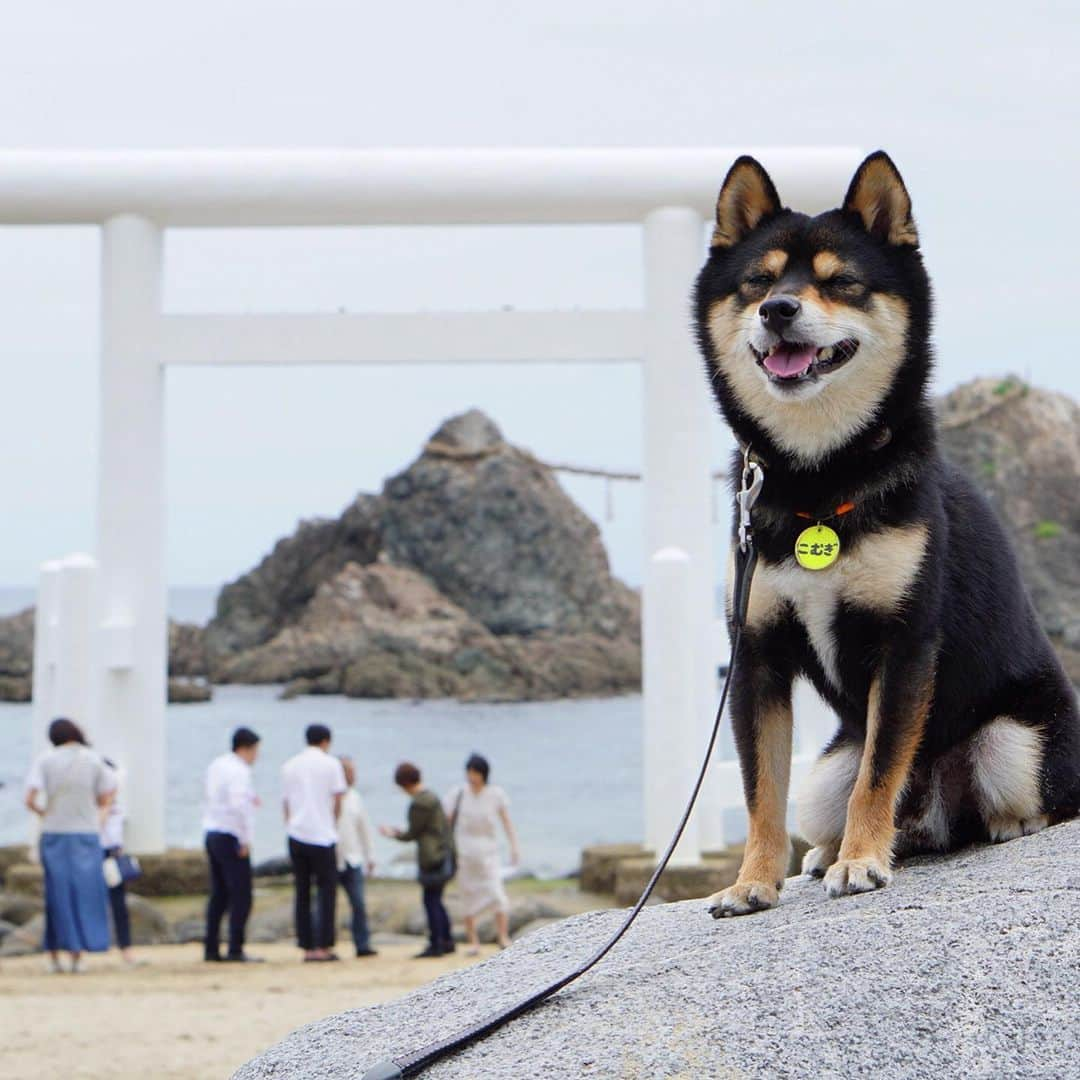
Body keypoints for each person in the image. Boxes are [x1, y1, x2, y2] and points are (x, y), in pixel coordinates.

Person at [23, 718, 116, 974]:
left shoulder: (46, 760)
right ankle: (79, 953)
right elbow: (109, 791)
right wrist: (100, 813)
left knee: (57, 896)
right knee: (85, 894)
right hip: (86, 833)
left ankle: (54, 955)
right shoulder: (93, 759)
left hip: (54, 832)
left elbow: (29, 798)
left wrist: (45, 813)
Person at [282, 724, 347, 963]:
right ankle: (323, 945)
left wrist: (290, 826)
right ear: (326, 741)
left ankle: (306, 945)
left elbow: (286, 803)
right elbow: (338, 798)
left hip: (297, 833)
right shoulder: (331, 764)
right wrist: (333, 822)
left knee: (302, 891)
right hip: (322, 834)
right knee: (326, 891)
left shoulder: (290, 765)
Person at [445, 753, 520, 954]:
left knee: (497, 893)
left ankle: (503, 936)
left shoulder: (496, 794)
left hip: (489, 852)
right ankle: (473, 941)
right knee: (467, 896)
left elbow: (507, 822)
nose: (472, 776)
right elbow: (447, 822)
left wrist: (514, 846)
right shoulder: (458, 794)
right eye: (469, 772)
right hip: (464, 853)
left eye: (475, 772)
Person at [380, 762, 455, 959]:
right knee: (437, 899)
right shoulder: (432, 797)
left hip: (431, 856)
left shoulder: (419, 803)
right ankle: (447, 940)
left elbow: (413, 832)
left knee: (430, 900)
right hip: (443, 851)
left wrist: (392, 834)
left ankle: (437, 943)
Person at [202, 727, 262, 963]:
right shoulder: (239, 770)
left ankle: (211, 947)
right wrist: (245, 839)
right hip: (231, 835)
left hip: (212, 831)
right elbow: (239, 807)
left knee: (219, 894)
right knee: (241, 895)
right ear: (246, 748)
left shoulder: (216, 765)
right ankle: (235, 947)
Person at [100, 758, 140, 966]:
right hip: (94, 852)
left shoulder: (117, 803)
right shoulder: (96, 803)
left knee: (118, 903)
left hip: (113, 853)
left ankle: (125, 948)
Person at [336, 756, 377, 958]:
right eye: (349, 772)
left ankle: (362, 944)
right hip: (332, 858)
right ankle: (322, 943)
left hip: (353, 858)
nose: (353, 776)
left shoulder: (355, 797)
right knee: (324, 904)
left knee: (358, 903)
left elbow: (364, 829)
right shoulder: (327, 796)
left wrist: (370, 856)